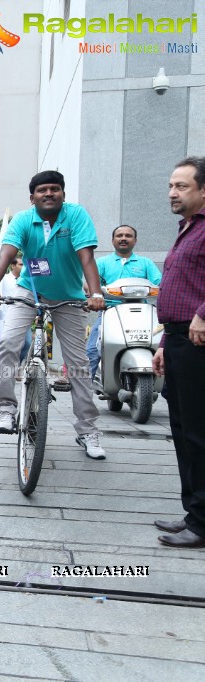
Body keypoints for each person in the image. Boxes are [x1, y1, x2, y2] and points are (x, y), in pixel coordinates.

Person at [0, 171, 107, 458]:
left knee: (78, 363)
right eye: (42, 190)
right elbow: (5, 255)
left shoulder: (76, 216)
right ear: (32, 197)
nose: (48, 194)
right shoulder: (24, 220)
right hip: (30, 290)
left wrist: (96, 294)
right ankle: (5, 409)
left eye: (54, 189)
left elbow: (86, 256)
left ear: (63, 194)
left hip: (69, 294)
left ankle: (87, 430)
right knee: (9, 344)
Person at [152, 156, 205, 548]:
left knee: (199, 434)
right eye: (171, 185)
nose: (172, 192)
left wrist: (203, 314)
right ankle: (193, 513)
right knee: (183, 432)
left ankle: (202, 523)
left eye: (182, 186)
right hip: (178, 339)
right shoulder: (188, 229)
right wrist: (164, 344)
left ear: (203, 190)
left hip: (198, 340)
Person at [86, 225, 162, 381]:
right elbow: (89, 284)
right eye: (119, 235)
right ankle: (83, 395)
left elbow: (160, 284)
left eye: (128, 236)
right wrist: (94, 294)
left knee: (160, 347)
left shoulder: (145, 263)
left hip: (141, 314)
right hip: (110, 312)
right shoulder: (102, 262)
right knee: (92, 351)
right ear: (112, 240)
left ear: (135, 241)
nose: (123, 238)